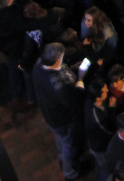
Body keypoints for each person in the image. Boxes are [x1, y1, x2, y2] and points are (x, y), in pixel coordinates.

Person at [32, 42, 87, 180]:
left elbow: (62, 71)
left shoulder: (38, 65)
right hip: (64, 120)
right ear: (57, 60)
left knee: (61, 140)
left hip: (50, 115)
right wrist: (80, 81)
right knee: (69, 145)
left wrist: (72, 69)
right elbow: (74, 100)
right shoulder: (61, 85)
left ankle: (62, 156)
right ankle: (70, 173)